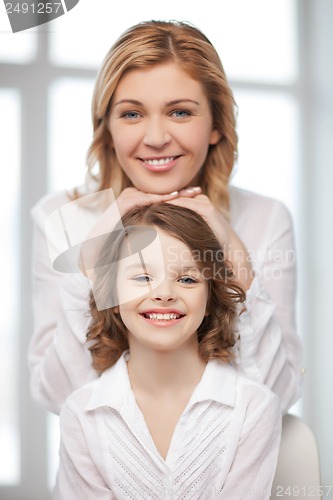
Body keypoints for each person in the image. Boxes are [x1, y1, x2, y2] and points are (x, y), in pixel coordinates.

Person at [29, 20, 302, 415]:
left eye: (179, 112)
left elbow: (279, 395)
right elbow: (58, 398)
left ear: (216, 125)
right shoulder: (60, 218)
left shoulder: (265, 218)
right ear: (106, 130)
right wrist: (91, 266)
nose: (156, 137)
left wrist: (240, 273)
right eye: (132, 114)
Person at [54, 203, 281, 499]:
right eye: (142, 277)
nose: (164, 293)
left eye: (187, 279)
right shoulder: (81, 413)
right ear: (110, 292)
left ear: (210, 294)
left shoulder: (254, 407)